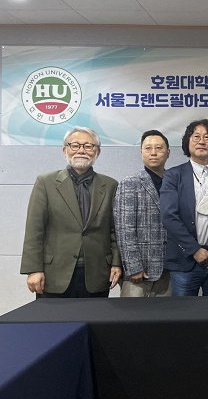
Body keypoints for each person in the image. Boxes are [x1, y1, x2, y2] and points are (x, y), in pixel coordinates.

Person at [21, 127, 122, 297]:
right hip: (54, 273)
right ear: (64, 150)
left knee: (95, 315)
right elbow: (34, 229)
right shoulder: (46, 182)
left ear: (97, 152)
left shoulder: (110, 185)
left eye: (88, 146)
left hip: (97, 272)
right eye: (75, 145)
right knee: (53, 316)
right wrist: (33, 269)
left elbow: (115, 230)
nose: (81, 150)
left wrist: (117, 263)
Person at [160, 119, 208, 296]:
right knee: (184, 312)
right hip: (185, 260)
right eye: (196, 137)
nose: (202, 141)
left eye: (207, 137)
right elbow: (169, 216)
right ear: (187, 142)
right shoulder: (173, 175)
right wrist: (194, 249)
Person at [114, 130, 171, 297]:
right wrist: (133, 267)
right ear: (141, 152)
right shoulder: (130, 183)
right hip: (140, 271)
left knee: (168, 313)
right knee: (133, 313)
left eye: (159, 148)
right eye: (148, 148)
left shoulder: (175, 182)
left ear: (168, 152)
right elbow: (124, 229)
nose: (153, 152)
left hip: (169, 268)